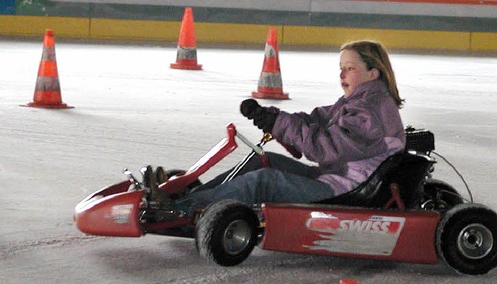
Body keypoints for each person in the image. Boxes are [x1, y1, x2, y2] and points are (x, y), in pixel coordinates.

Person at [150, 40, 406, 214]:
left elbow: (324, 148)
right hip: (338, 176)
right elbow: (315, 120)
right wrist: (271, 117)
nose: (341, 76)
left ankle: (180, 207)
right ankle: (188, 197)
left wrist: (280, 124)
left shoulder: (370, 112)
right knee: (263, 160)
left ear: (374, 73)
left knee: (263, 181)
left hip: (348, 189)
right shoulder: (362, 101)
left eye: (350, 69)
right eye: (341, 68)